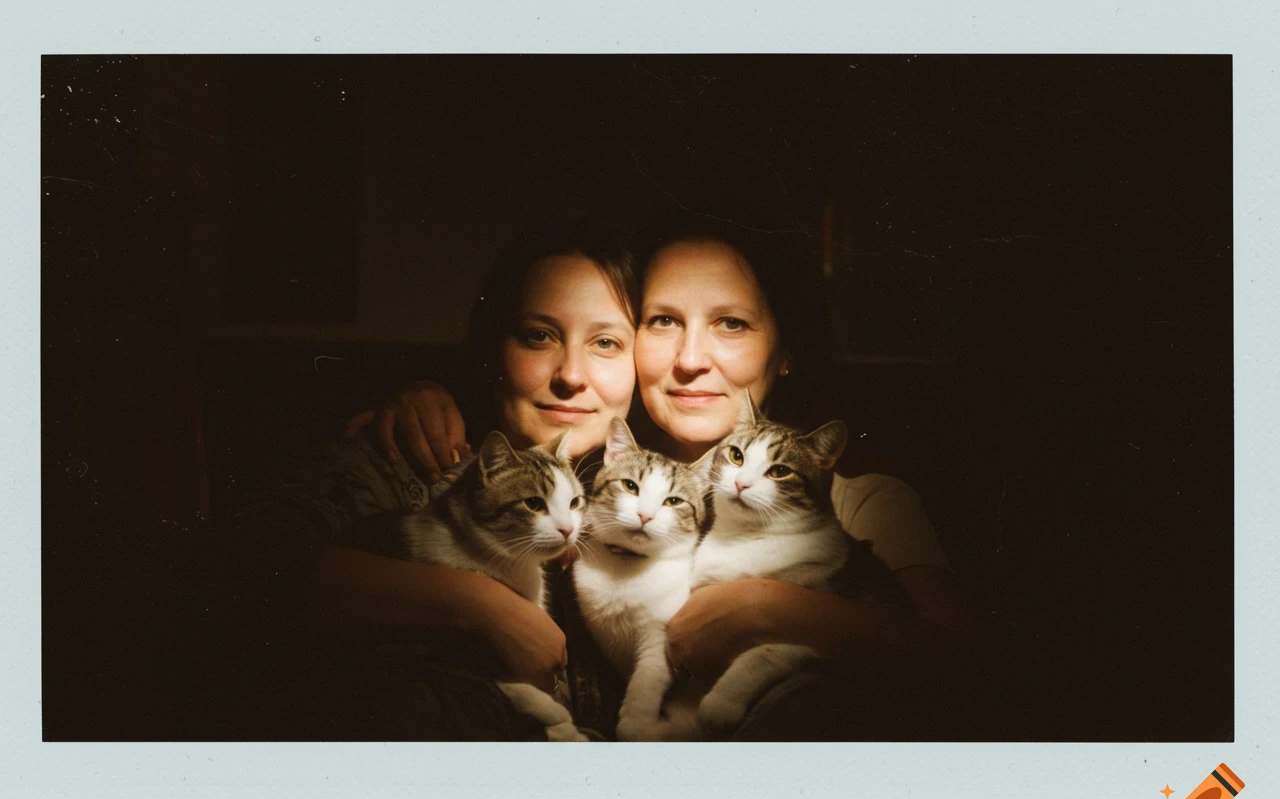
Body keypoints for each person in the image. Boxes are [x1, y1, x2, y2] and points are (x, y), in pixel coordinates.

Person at [360, 204, 983, 739]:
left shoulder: (860, 503)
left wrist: (772, 608)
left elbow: (971, 672)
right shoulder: (585, 479)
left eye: (731, 323)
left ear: (785, 350)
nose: (689, 359)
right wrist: (421, 396)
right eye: (662, 321)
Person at [223, 220, 638, 739]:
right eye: (538, 336)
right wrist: (473, 605)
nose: (571, 374)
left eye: (606, 342)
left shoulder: (650, 501)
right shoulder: (406, 458)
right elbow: (233, 571)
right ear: (493, 352)